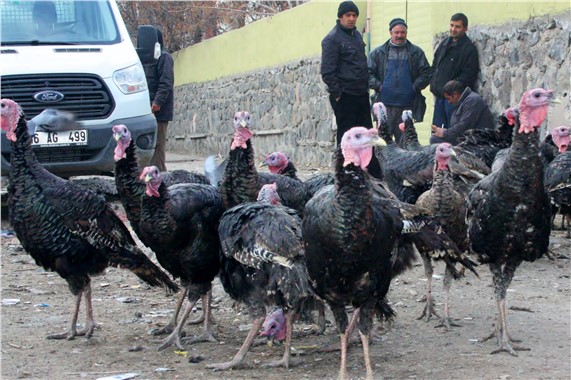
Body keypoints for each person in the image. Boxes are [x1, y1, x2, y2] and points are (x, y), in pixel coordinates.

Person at [321, 1, 382, 179]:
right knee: (346, 135)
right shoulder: (332, 39)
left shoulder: (356, 35)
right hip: (345, 95)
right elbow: (327, 71)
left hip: (360, 93)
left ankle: (370, 172)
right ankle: (345, 172)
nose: (351, 18)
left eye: (354, 15)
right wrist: (338, 94)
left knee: (366, 133)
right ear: (340, 17)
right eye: (348, 15)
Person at [368, 17, 432, 146]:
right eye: (396, 32)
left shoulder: (416, 53)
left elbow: (426, 73)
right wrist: (380, 87)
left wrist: (413, 88)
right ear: (390, 33)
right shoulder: (377, 53)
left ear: (406, 33)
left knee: (404, 144)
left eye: (402, 32)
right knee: (382, 143)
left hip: (407, 106)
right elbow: (367, 74)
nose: (399, 35)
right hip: (384, 106)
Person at [429, 13, 479, 130]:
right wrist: (433, 80)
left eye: (457, 26)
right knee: (437, 134)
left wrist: (453, 88)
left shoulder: (468, 49)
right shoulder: (444, 44)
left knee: (453, 133)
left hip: (454, 100)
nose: (453, 29)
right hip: (440, 98)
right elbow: (435, 65)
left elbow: (469, 74)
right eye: (452, 25)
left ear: (465, 28)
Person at [430, 80, 494, 145]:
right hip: (466, 137)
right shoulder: (461, 102)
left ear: (455, 94)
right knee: (435, 139)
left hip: (477, 140)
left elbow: (465, 125)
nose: (449, 102)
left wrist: (445, 133)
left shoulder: (472, 100)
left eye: (448, 98)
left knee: (436, 141)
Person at [145, 29, 174, 172]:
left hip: (159, 111)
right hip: (148, 109)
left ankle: (159, 175)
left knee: (158, 145)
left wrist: (157, 103)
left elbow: (166, 83)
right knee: (151, 145)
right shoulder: (149, 58)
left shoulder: (164, 57)